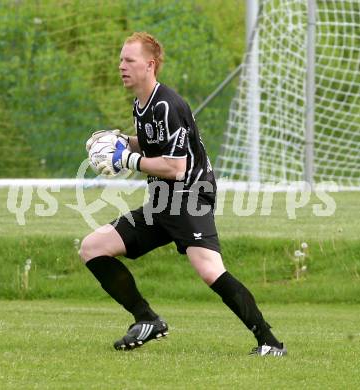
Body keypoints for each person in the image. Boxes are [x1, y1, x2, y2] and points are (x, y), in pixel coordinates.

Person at [80, 32, 287, 356]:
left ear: (150, 65)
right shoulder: (142, 104)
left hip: (189, 197)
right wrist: (123, 141)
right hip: (163, 201)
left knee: (209, 269)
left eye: (129, 60)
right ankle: (146, 319)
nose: (121, 66)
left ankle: (270, 342)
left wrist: (127, 159)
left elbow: (175, 167)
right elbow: (153, 143)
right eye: (121, 59)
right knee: (93, 248)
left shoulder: (168, 105)